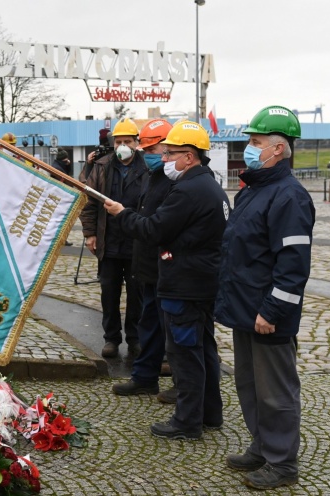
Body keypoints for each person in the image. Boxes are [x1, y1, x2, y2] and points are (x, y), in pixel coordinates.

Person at [103, 121, 229, 440]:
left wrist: (121, 213)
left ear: (189, 156)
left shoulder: (188, 189)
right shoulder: (209, 184)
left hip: (184, 283)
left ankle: (187, 421)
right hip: (200, 282)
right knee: (203, 350)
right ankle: (210, 413)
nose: (165, 158)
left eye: (170, 153)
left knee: (184, 354)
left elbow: (153, 230)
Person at [214, 105, 315, 489]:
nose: (249, 148)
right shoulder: (258, 189)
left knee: (276, 392)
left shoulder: (289, 197)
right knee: (250, 385)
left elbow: (292, 265)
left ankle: (282, 463)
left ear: (278, 149)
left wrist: (272, 310)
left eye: (256, 142)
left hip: (267, 314)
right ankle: (262, 446)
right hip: (246, 309)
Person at [112, 119, 174, 398]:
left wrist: (123, 214)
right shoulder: (154, 176)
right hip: (149, 266)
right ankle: (145, 377)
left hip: (171, 269)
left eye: (154, 147)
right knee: (149, 325)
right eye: (145, 147)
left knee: (174, 331)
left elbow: (156, 226)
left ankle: (184, 385)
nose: (148, 153)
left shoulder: (178, 182)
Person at [80, 118, 146, 358]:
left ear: (137, 143)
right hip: (109, 240)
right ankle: (111, 338)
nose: (122, 146)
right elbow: (88, 201)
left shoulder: (146, 166)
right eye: (118, 141)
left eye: (127, 141)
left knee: (137, 293)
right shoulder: (102, 166)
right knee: (109, 292)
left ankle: (135, 337)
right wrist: (89, 233)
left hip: (137, 241)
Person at [51, 149, 74, 246]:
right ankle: (60, 239)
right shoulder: (57, 168)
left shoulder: (60, 165)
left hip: (60, 197)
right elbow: (65, 179)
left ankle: (62, 239)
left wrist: (68, 165)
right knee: (60, 220)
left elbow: (67, 173)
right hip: (60, 197)